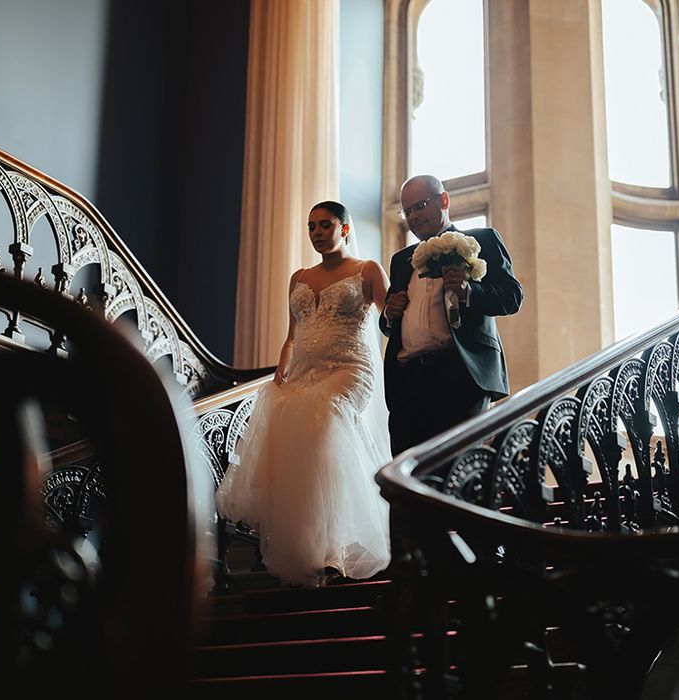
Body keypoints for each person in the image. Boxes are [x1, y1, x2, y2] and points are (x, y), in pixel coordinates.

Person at [216, 201, 392, 587]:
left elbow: (392, 319)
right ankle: (311, 550)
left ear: (344, 229)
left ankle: (338, 546)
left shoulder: (367, 271)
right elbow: (292, 336)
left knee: (324, 419)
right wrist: (282, 365)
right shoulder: (299, 277)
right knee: (290, 430)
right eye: (311, 226)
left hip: (350, 368)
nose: (316, 233)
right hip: (303, 370)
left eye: (325, 225)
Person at [381, 174, 523, 456]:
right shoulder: (400, 261)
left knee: (456, 470)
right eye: (407, 211)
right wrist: (388, 314)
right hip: (408, 382)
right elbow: (388, 326)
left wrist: (469, 290)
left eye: (420, 206)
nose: (414, 216)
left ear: (443, 200)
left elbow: (512, 297)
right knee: (407, 475)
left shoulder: (482, 240)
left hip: (461, 375)